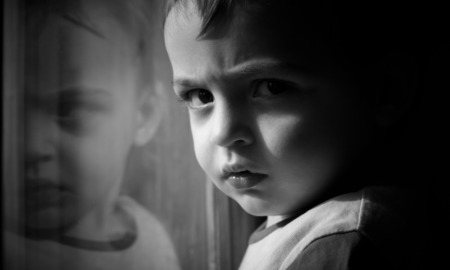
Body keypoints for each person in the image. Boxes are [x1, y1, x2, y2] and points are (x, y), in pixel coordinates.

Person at [163, 0, 441, 269]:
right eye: (200, 96)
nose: (222, 133)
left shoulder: (343, 246)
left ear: (386, 92)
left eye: (272, 87)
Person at [4, 0, 180, 269]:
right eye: (8, 114)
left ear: (143, 115)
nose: (30, 145)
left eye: (72, 109)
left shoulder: (151, 244)